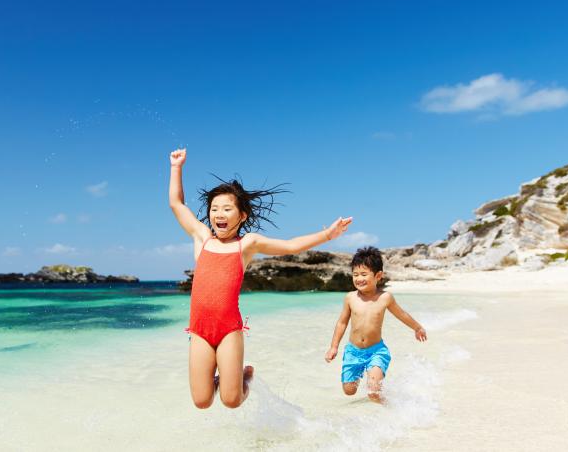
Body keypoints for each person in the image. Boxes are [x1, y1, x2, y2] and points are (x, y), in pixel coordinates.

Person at [169, 148, 353, 409]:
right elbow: (176, 204)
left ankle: (243, 376)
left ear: (242, 215)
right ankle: (230, 375)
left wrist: (328, 235)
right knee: (202, 401)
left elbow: (290, 246)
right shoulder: (202, 238)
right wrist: (176, 168)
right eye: (214, 209)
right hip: (199, 330)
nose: (219, 214)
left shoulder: (247, 244)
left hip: (228, 330)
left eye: (227, 209)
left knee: (231, 401)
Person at [324, 246, 427, 403]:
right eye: (355, 275)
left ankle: (387, 407)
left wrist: (417, 327)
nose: (359, 279)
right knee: (349, 391)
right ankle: (375, 392)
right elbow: (342, 323)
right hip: (353, 351)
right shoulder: (350, 298)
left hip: (376, 351)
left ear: (378, 275)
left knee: (373, 392)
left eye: (364, 274)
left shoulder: (385, 298)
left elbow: (402, 315)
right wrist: (334, 346)